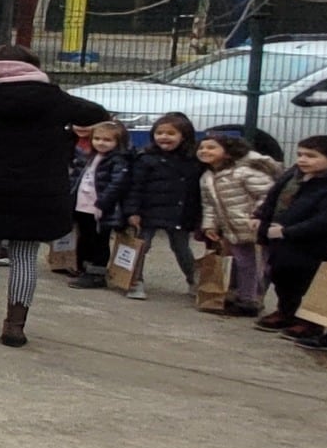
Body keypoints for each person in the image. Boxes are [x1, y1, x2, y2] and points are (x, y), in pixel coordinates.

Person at [0, 49, 110, 342]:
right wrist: (65, 136)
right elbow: (96, 114)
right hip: (42, 189)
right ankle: (15, 327)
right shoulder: (54, 98)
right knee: (25, 256)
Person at [254, 136, 327, 341]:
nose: (303, 160)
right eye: (300, 154)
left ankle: (310, 322)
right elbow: (273, 196)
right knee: (281, 275)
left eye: (311, 156)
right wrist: (260, 216)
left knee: (307, 282)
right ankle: (286, 311)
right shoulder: (293, 175)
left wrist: (288, 231)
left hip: (312, 243)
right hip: (280, 237)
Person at [119, 112, 205, 302]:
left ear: (184, 136)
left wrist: (197, 214)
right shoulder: (145, 158)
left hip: (179, 212)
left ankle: (194, 281)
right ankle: (135, 281)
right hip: (148, 211)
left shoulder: (194, 160)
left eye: (171, 133)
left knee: (181, 247)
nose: (164, 137)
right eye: (159, 133)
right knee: (141, 246)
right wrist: (132, 211)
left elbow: (196, 190)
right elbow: (135, 187)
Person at [198, 133, 280, 319]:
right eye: (202, 148)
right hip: (232, 229)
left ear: (227, 153)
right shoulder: (208, 176)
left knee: (258, 265)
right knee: (240, 263)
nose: (204, 151)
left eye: (211, 147)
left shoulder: (244, 172)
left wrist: (258, 216)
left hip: (253, 227)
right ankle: (239, 296)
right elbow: (209, 204)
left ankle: (251, 300)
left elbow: (267, 195)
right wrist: (209, 226)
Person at [69, 121, 134, 291]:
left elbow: (117, 184)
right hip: (82, 205)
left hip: (101, 208)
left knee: (99, 241)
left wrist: (103, 203)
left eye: (107, 140)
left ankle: (96, 273)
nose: (101, 143)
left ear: (118, 142)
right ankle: (84, 268)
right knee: (84, 237)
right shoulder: (88, 157)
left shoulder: (119, 160)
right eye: (97, 138)